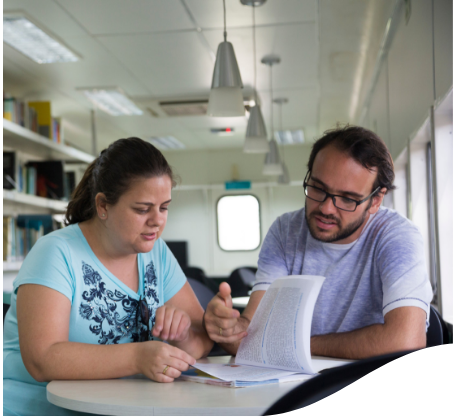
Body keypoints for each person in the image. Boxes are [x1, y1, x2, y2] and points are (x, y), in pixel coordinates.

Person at [3, 137, 214, 416]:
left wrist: (182, 333)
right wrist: (139, 357)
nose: (157, 220)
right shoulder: (55, 251)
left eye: (164, 207)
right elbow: (42, 359)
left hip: (122, 407)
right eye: (142, 209)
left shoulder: (156, 252)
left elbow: (201, 338)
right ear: (103, 205)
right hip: (39, 408)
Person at [204, 125, 433, 360]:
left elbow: (407, 342)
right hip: (297, 386)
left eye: (347, 198)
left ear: (375, 201)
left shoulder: (395, 236)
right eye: (317, 188)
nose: (325, 208)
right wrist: (224, 328)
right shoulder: (286, 231)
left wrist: (295, 344)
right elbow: (248, 340)